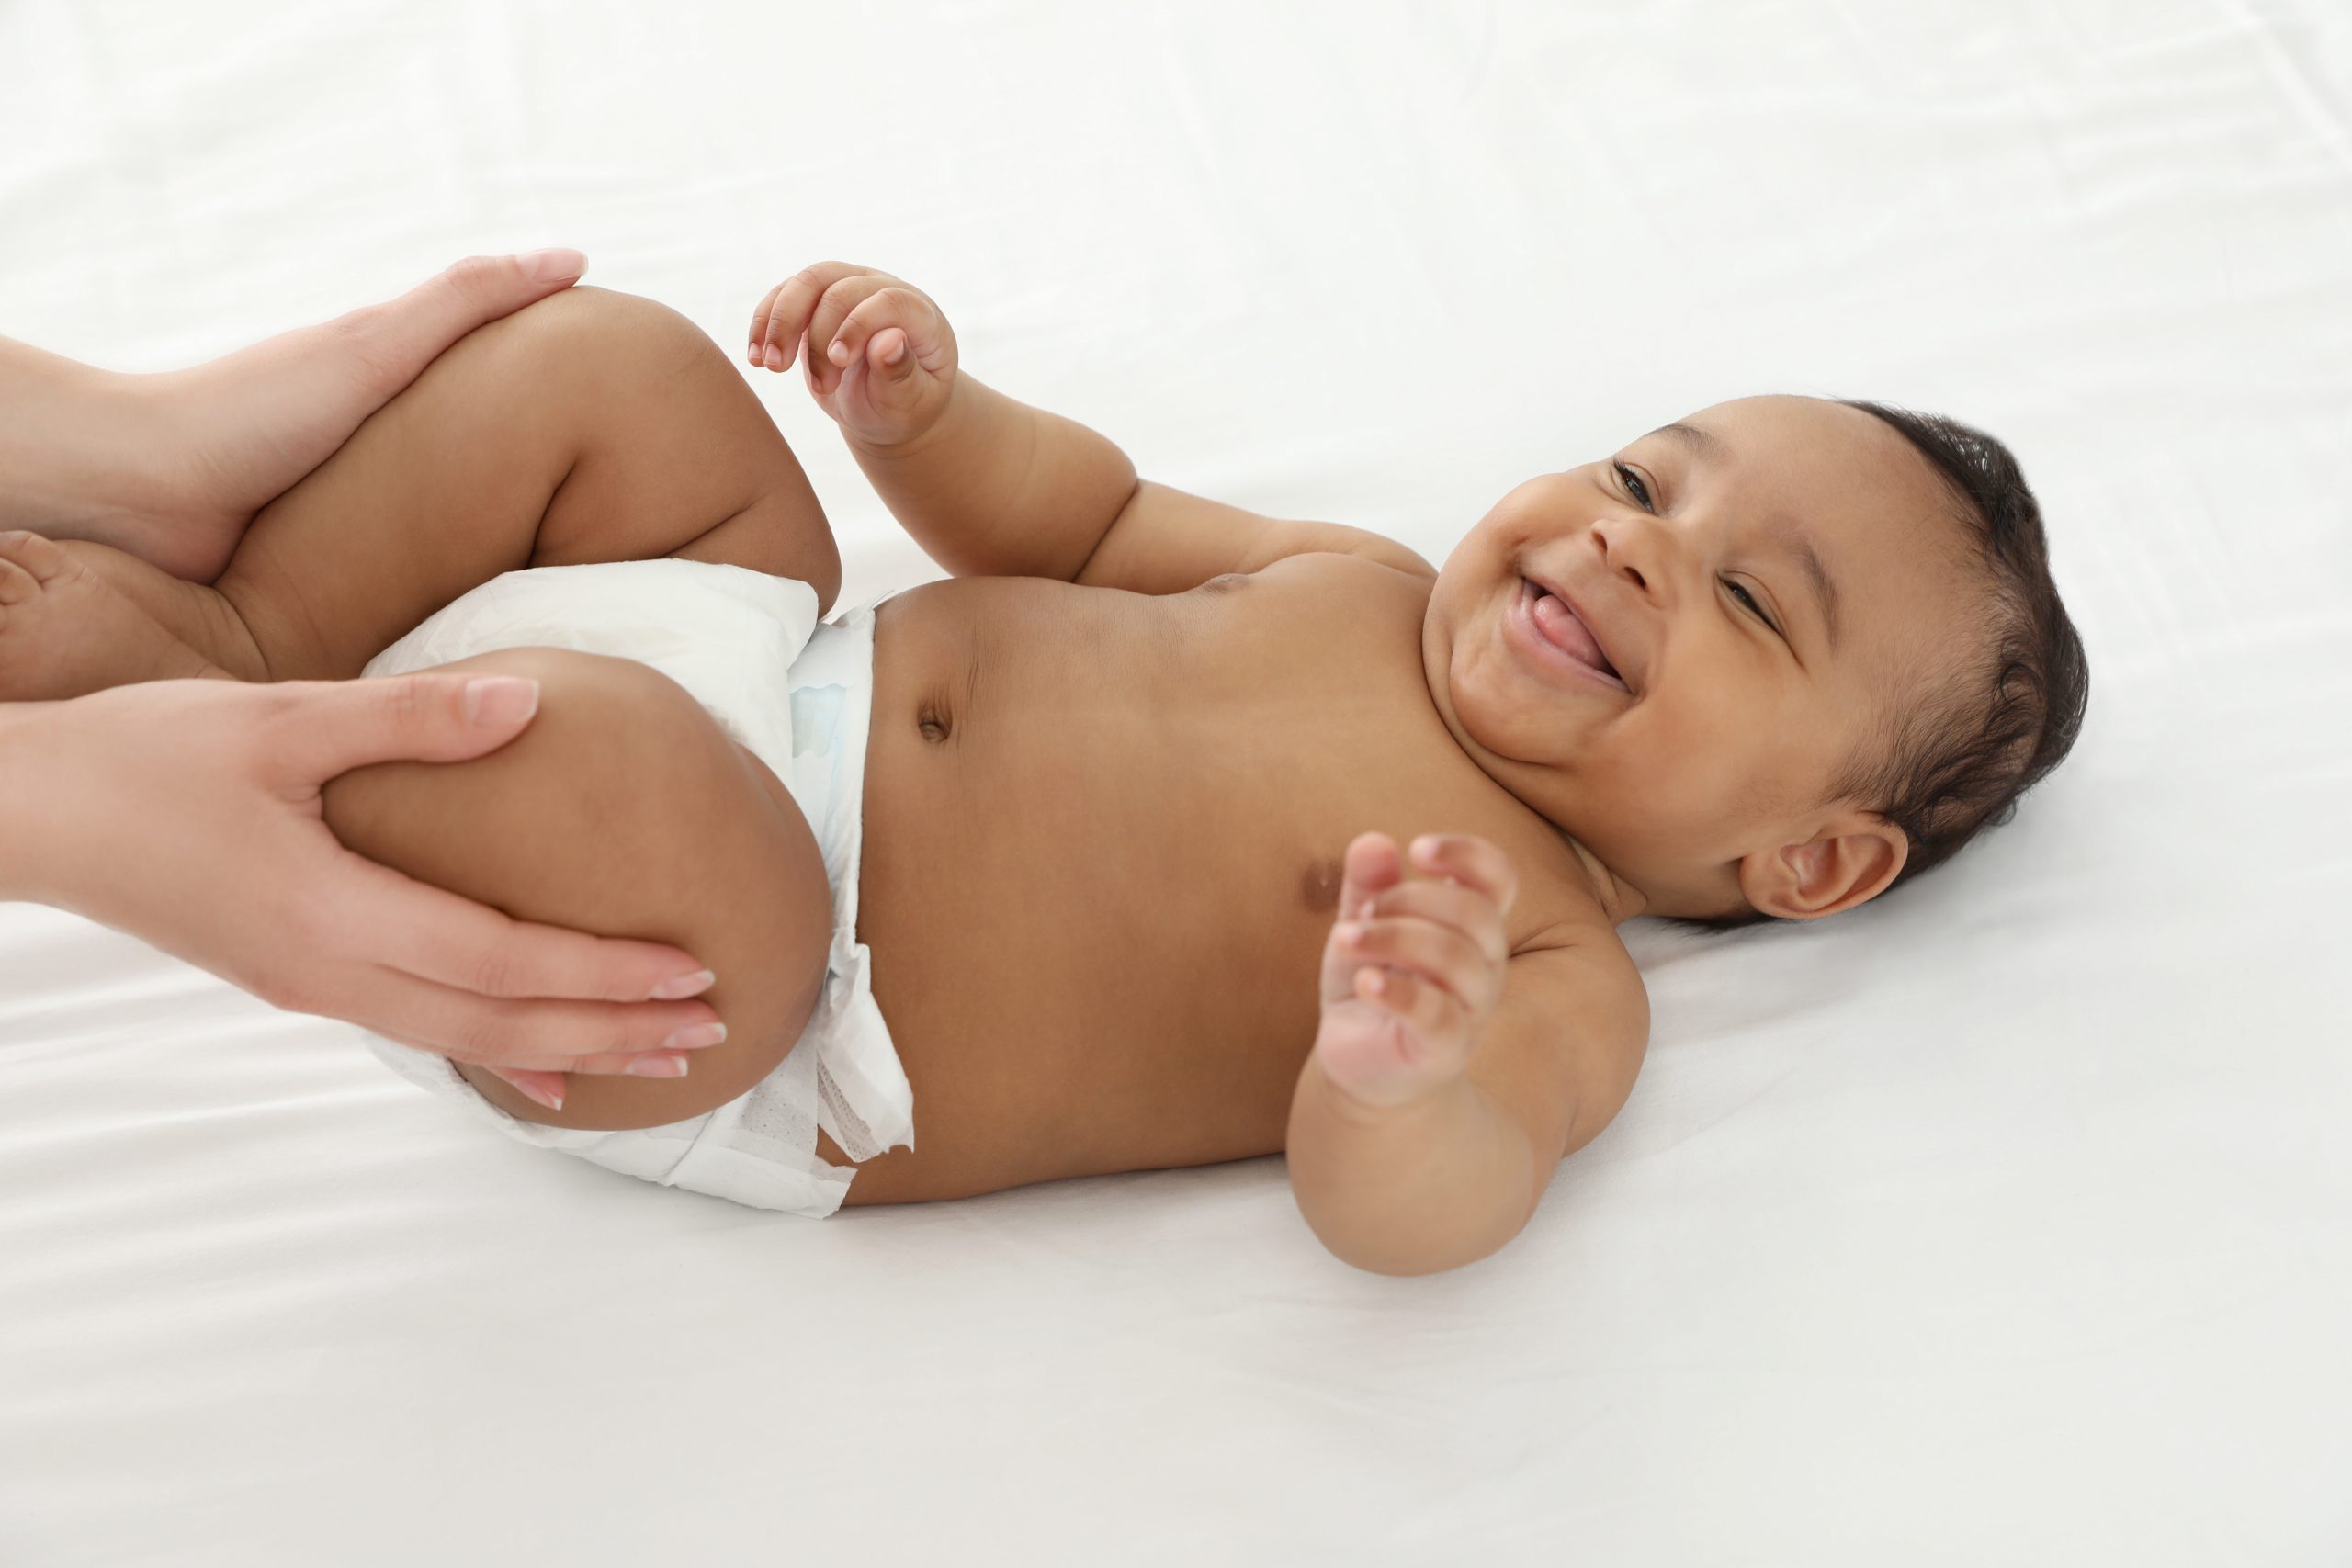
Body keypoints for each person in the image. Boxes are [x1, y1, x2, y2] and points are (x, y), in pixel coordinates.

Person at [3, 261, 2088, 1273]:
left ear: (1809, 856)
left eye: (1744, 603)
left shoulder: (1540, 963)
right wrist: (925, 414)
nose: (1633, 536)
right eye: (1644, 471)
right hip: (749, 653)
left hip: (733, 988)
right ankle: (235, 643)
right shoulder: (1350, 579)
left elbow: (1426, 1211)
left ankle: (167, 737)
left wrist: (1392, 1065)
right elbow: (1076, 522)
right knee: (616, 371)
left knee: (628, 771)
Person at [0, 253, 721, 1111]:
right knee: (613, 377)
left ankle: (222, 671)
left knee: (607, 372)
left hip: (768, 852)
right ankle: (235, 671)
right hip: (779, 788)